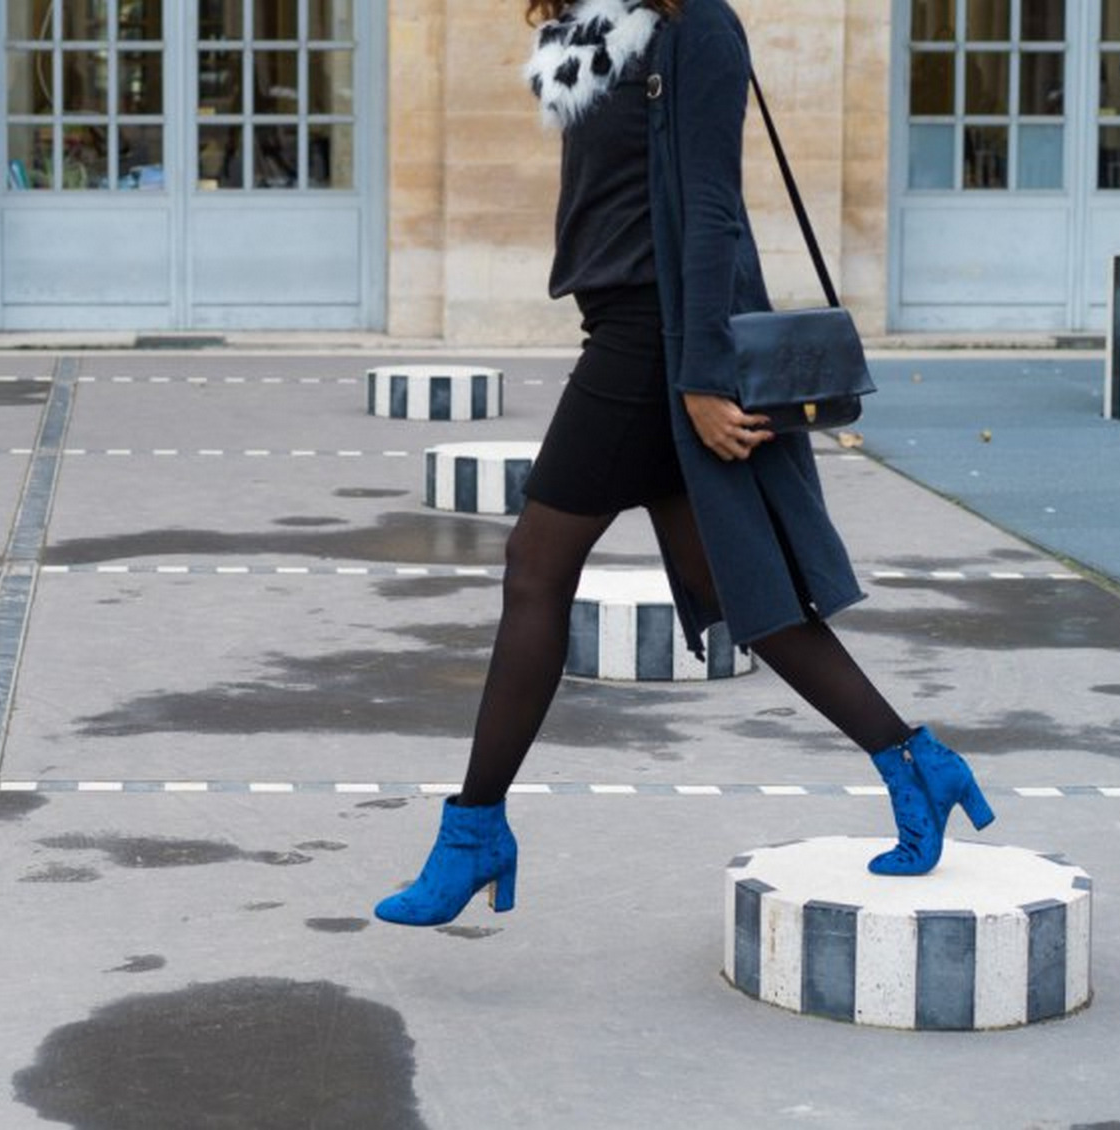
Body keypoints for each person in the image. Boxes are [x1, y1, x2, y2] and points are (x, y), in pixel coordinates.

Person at [374, 0, 994, 928]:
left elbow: (711, 206)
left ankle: (474, 831)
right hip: (623, 328)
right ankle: (915, 760)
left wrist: (703, 379)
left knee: (535, 569)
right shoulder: (592, 31)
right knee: (739, 591)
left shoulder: (697, 28)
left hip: (654, 344)